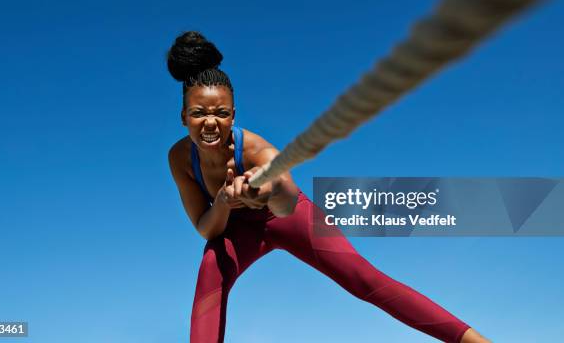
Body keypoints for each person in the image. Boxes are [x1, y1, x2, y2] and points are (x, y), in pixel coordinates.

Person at [166, 31, 489, 343]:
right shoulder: (180, 158)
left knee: (363, 279)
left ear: (233, 116)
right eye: (199, 113)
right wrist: (222, 201)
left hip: (289, 219)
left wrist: (264, 193)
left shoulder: (256, 150)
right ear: (183, 117)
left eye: (221, 113)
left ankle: (475, 341)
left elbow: (287, 201)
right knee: (211, 272)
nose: (211, 122)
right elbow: (206, 228)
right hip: (236, 230)